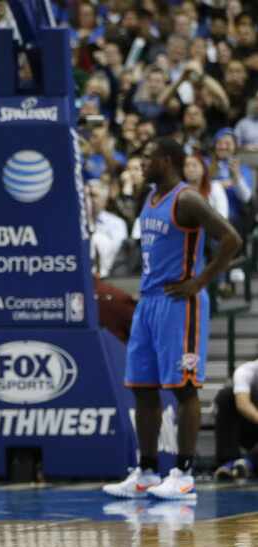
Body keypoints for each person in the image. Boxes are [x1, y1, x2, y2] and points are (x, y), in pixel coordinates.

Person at [102, 137, 242, 501]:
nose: (142, 164)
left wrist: (199, 281)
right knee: (143, 388)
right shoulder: (147, 199)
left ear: (165, 161)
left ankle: (184, 472)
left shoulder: (187, 198)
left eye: (147, 159)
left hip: (180, 303)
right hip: (149, 302)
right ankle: (147, 471)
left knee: (184, 388)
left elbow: (231, 239)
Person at [213, 358, 258, 480]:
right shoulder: (245, 371)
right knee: (225, 396)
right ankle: (228, 461)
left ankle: (248, 463)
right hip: (250, 428)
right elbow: (242, 404)